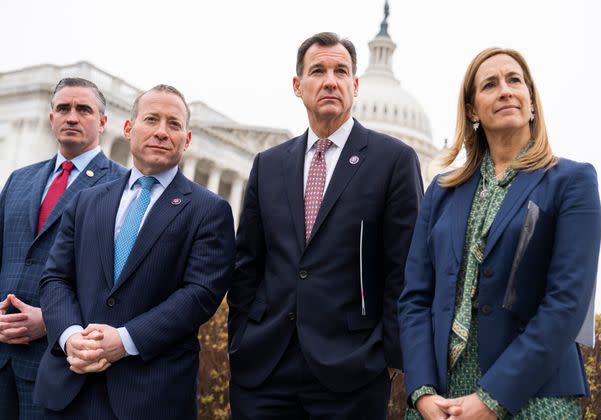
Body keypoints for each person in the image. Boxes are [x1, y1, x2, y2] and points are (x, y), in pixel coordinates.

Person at [228, 32, 423, 419]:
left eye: (341, 71)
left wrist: (389, 355)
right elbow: (247, 261)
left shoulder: (394, 160)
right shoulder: (269, 164)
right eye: (317, 70)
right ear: (298, 86)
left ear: (355, 85)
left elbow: (405, 266)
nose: (330, 80)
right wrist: (241, 339)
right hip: (264, 368)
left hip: (352, 373)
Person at [399, 47, 601, 419]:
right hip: (441, 401)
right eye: (490, 84)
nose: (505, 90)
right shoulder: (441, 193)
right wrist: (422, 392)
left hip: (535, 395)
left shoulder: (571, 182)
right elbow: (414, 299)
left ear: (531, 101)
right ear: (473, 110)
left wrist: (492, 398)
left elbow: (566, 303)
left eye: (514, 81)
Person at [33, 85, 235, 419]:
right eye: (152, 119)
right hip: (70, 385)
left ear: (186, 140)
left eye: (173, 124)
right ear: (128, 129)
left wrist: (125, 340)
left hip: (150, 394)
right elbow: (55, 277)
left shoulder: (208, 210)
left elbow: (200, 294)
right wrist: (70, 338)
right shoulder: (87, 201)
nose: (161, 131)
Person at [0, 77, 126, 419]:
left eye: (83, 109)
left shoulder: (123, 187)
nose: (72, 117)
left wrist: (54, 322)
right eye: (63, 109)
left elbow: (124, 282)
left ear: (102, 122)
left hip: (59, 367)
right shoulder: (19, 179)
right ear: (51, 118)